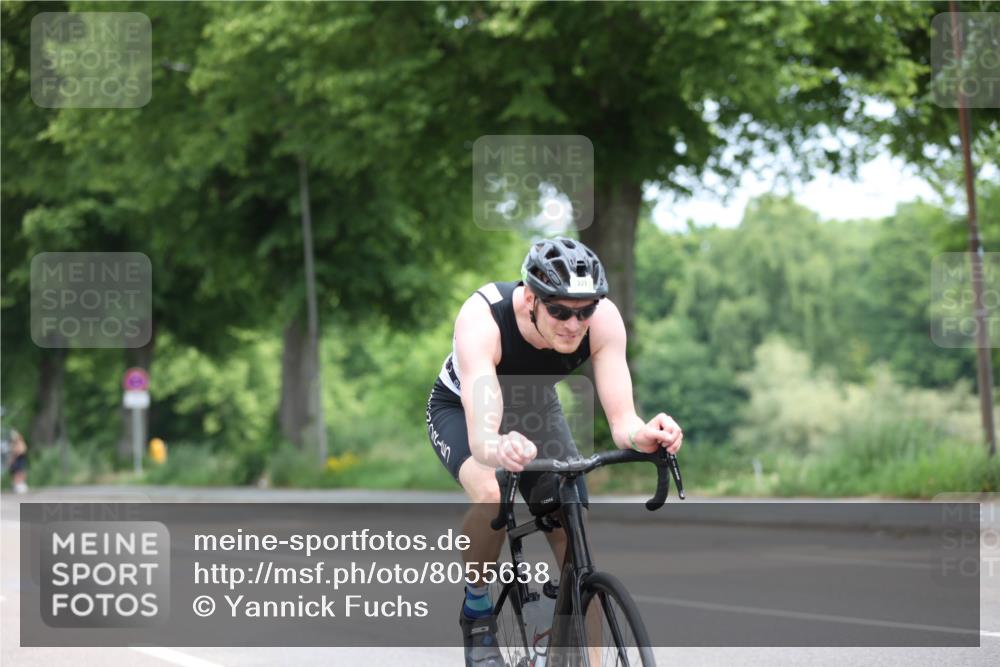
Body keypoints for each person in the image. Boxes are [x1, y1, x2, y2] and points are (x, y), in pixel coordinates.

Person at [425, 237, 683, 666]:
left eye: (584, 311)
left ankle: (575, 640)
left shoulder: (603, 322)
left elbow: (624, 424)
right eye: (560, 311)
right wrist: (498, 444)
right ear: (530, 299)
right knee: (491, 492)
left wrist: (648, 436)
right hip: (464, 407)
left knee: (572, 523)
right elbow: (483, 436)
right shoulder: (483, 318)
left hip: (535, 407)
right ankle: (477, 610)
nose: (573, 323)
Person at [8, 430, 29, 494]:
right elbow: (14, 453)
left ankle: (20, 484)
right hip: (16, 460)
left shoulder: (20, 443)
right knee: (16, 473)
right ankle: (17, 485)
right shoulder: (13, 444)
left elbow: (22, 451)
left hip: (20, 459)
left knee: (20, 472)